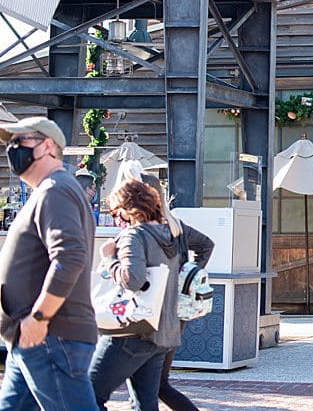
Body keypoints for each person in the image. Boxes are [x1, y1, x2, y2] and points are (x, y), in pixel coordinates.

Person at [0, 117, 98, 411]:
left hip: (49, 335)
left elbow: (69, 255)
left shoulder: (55, 189)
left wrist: (40, 318)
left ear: (47, 147)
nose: (12, 149)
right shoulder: (50, 190)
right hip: (32, 337)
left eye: (20, 142)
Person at [90, 179, 182, 411]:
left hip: (130, 331)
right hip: (159, 333)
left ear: (128, 207)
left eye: (117, 210)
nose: (117, 216)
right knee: (145, 404)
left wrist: (109, 258)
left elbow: (134, 279)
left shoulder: (135, 235)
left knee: (87, 395)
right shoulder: (168, 233)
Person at [138, 172, 214, 411]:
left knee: (148, 384)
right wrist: (188, 275)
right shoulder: (176, 226)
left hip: (152, 312)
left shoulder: (145, 231)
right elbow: (207, 245)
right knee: (158, 384)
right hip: (176, 311)